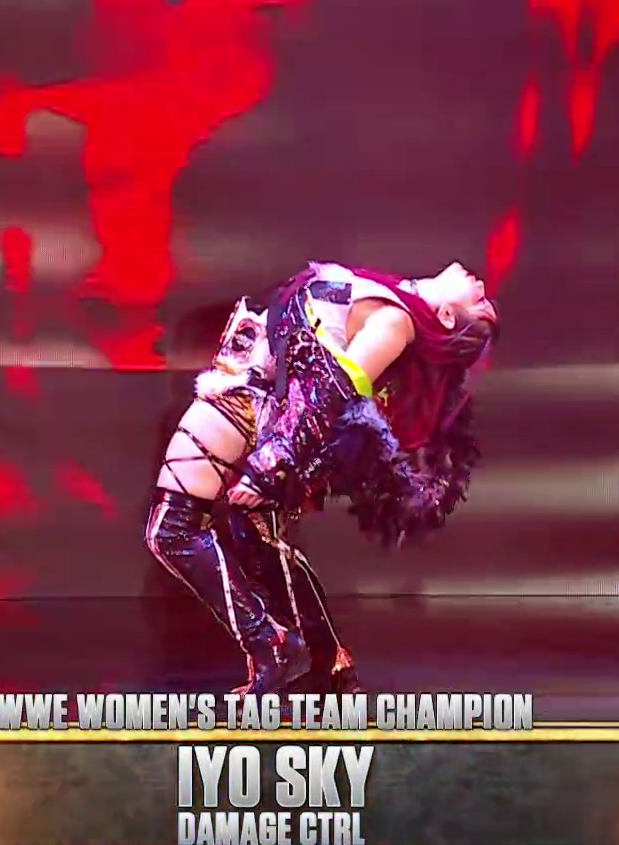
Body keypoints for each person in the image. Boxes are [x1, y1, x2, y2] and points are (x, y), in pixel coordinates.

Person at [145, 262, 498, 694]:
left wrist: (270, 466)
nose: (480, 284)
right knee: (256, 539)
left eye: (480, 302)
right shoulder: (394, 304)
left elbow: (334, 391)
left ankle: (271, 643)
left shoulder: (394, 322)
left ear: (446, 316)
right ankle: (327, 664)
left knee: (171, 530)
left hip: (248, 403)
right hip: (254, 398)